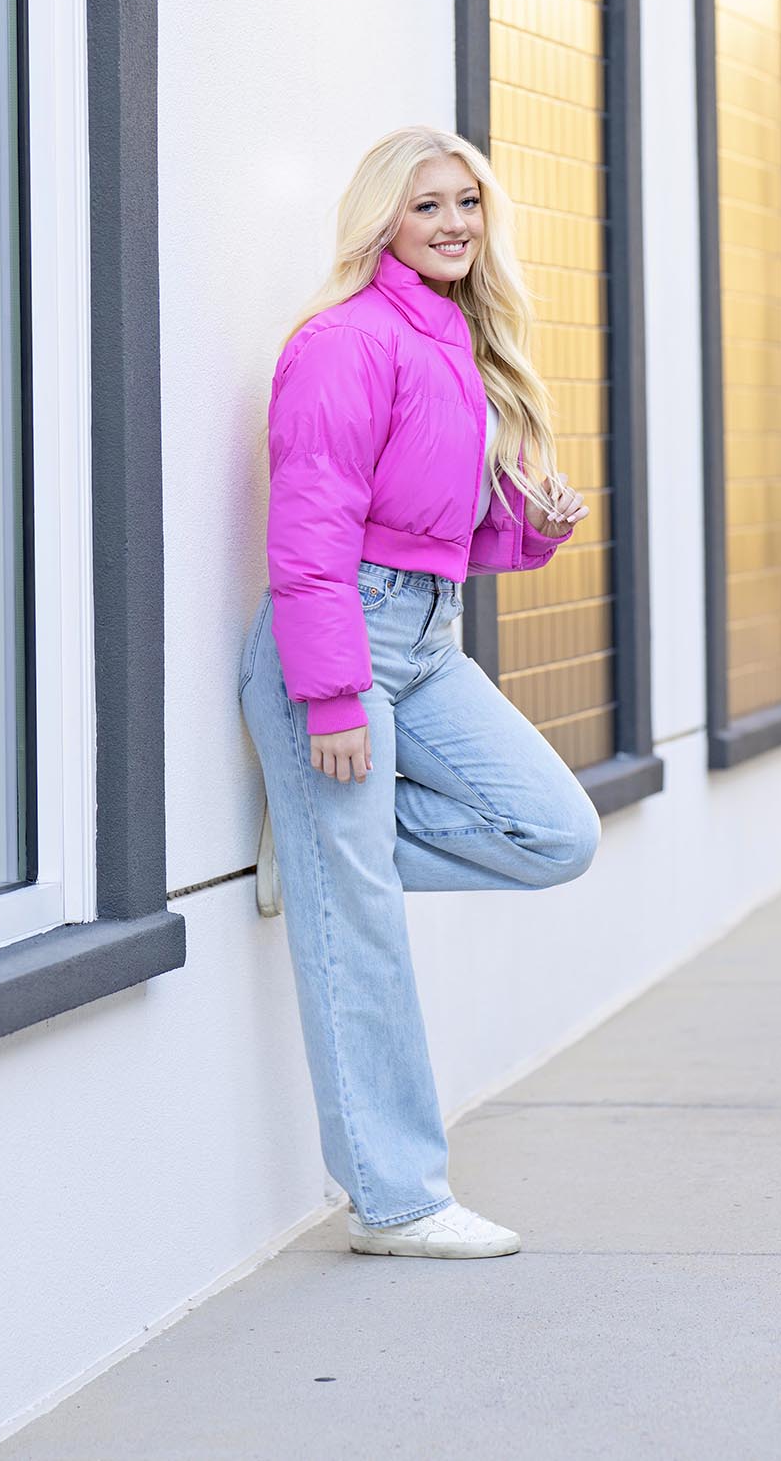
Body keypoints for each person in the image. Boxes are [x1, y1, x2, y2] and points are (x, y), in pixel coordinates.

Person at [238, 124, 602, 1261]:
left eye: (466, 204)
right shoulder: (342, 341)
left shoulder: (454, 335)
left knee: (553, 834)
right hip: (340, 635)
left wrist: (527, 525)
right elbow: (308, 529)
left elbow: (435, 533)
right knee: (364, 931)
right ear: (381, 223)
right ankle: (395, 1201)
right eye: (425, 207)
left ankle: (310, 839)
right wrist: (335, 700)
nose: (452, 224)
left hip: (428, 640)